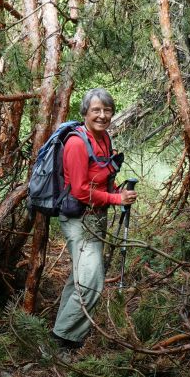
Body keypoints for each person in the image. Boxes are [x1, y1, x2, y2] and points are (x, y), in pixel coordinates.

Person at [51, 88, 137, 350]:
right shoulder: (77, 143)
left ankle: (61, 331)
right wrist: (115, 200)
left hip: (94, 218)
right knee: (91, 282)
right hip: (78, 220)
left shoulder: (104, 138)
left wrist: (115, 192)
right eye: (96, 110)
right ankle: (65, 340)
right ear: (85, 112)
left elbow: (100, 180)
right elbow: (79, 190)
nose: (102, 115)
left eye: (107, 110)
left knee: (80, 278)